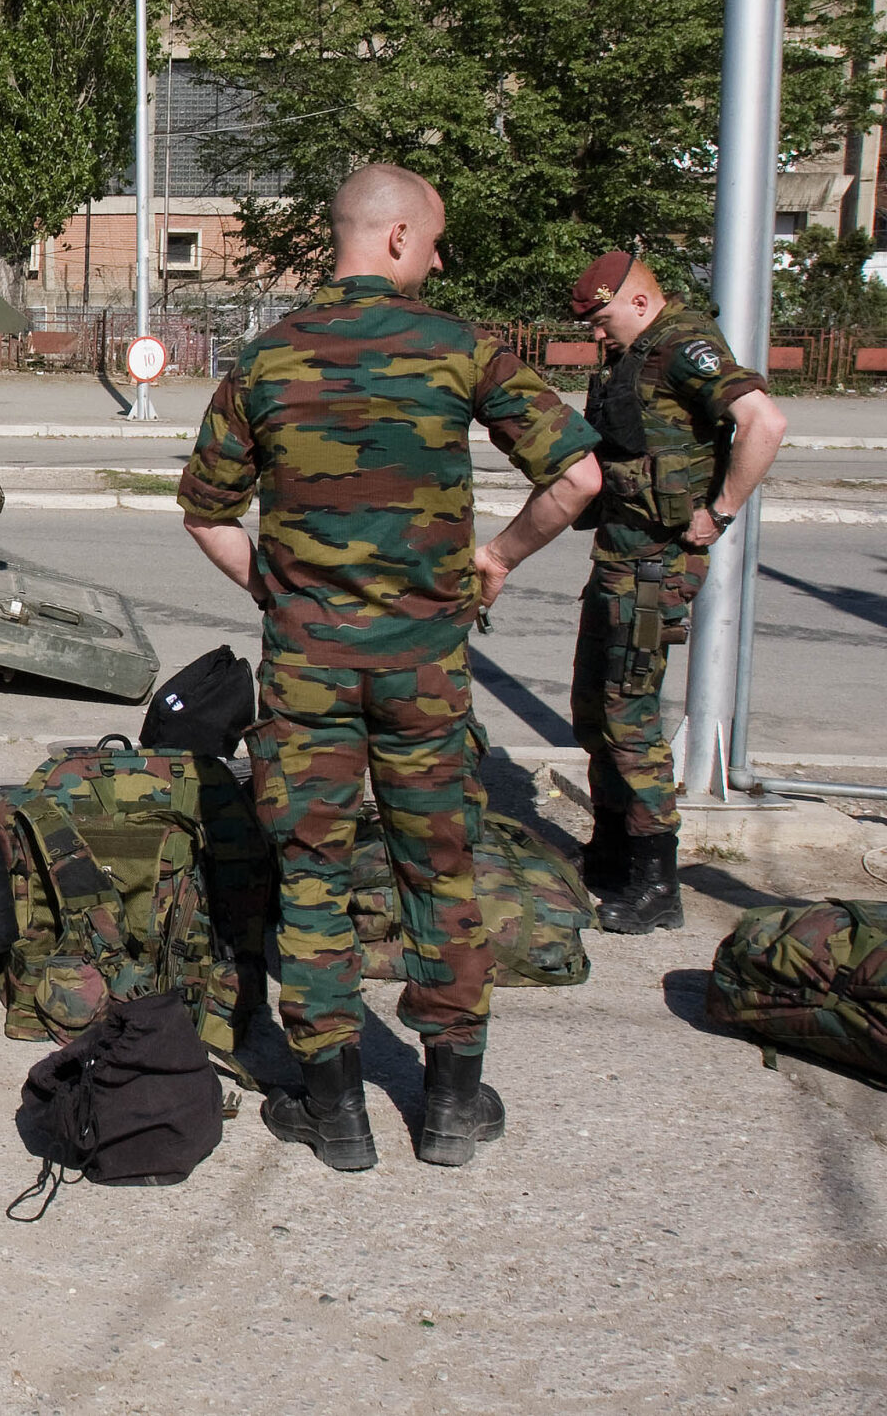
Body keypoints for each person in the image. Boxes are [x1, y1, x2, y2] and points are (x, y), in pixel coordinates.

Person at [178, 164, 602, 1171]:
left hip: (307, 671)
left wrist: (275, 594)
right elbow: (578, 475)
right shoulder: (461, 350)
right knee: (439, 865)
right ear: (401, 239)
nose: (443, 258)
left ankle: (333, 1110)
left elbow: (204, 511)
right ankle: (452, 1103)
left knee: (313, 872)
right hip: (425, 670)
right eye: (438, 238)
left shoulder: (266, 360)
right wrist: (492, 560)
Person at [566, 251, 788, 935]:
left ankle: (655, 880)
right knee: (593, 703)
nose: (598, 336)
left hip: (656, 564)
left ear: (636, 303)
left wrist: (718, 512)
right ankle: (608, 850)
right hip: (618, 557)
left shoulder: (686, 347)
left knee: (629, 715)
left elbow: (764, 422)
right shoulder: (637, 349)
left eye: (603, 319)